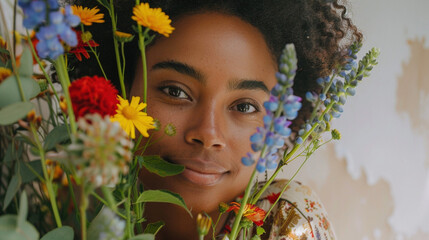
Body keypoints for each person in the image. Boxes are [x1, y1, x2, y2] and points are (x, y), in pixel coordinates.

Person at [72, 0, 362, 239]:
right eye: (175, 92)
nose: (208, 133)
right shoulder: (71, 204)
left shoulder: (285, 222)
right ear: (120, 86)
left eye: (245, 107)